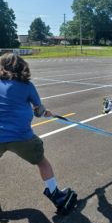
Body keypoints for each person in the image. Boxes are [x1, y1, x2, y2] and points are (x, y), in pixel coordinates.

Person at [0, 53, 77, 214]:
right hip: (21, 136)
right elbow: (38, 111)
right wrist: (45, 112)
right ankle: (56, 195)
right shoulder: (27, 86)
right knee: (42, 162)